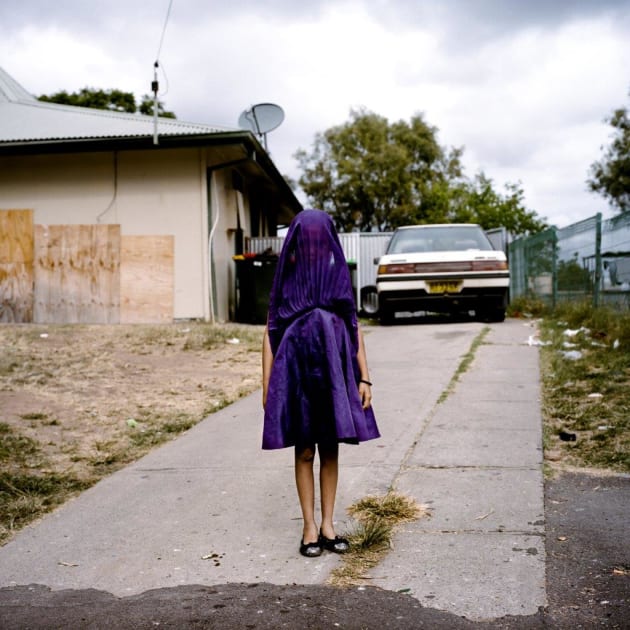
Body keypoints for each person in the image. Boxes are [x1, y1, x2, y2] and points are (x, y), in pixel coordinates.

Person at [261, 209, 380, 558]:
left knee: (330, 447)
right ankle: (309, 527)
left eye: (319, 240)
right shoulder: (288, 278)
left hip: (333, 368)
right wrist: (267, 384)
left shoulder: (336, 276)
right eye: (306, 240)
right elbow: (269, 331)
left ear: (327, 242)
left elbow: (354, 327)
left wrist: (365, 377)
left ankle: (328, 524)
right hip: (295, 371)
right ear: (297, 242)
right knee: (304, 449)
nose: (313, 247)